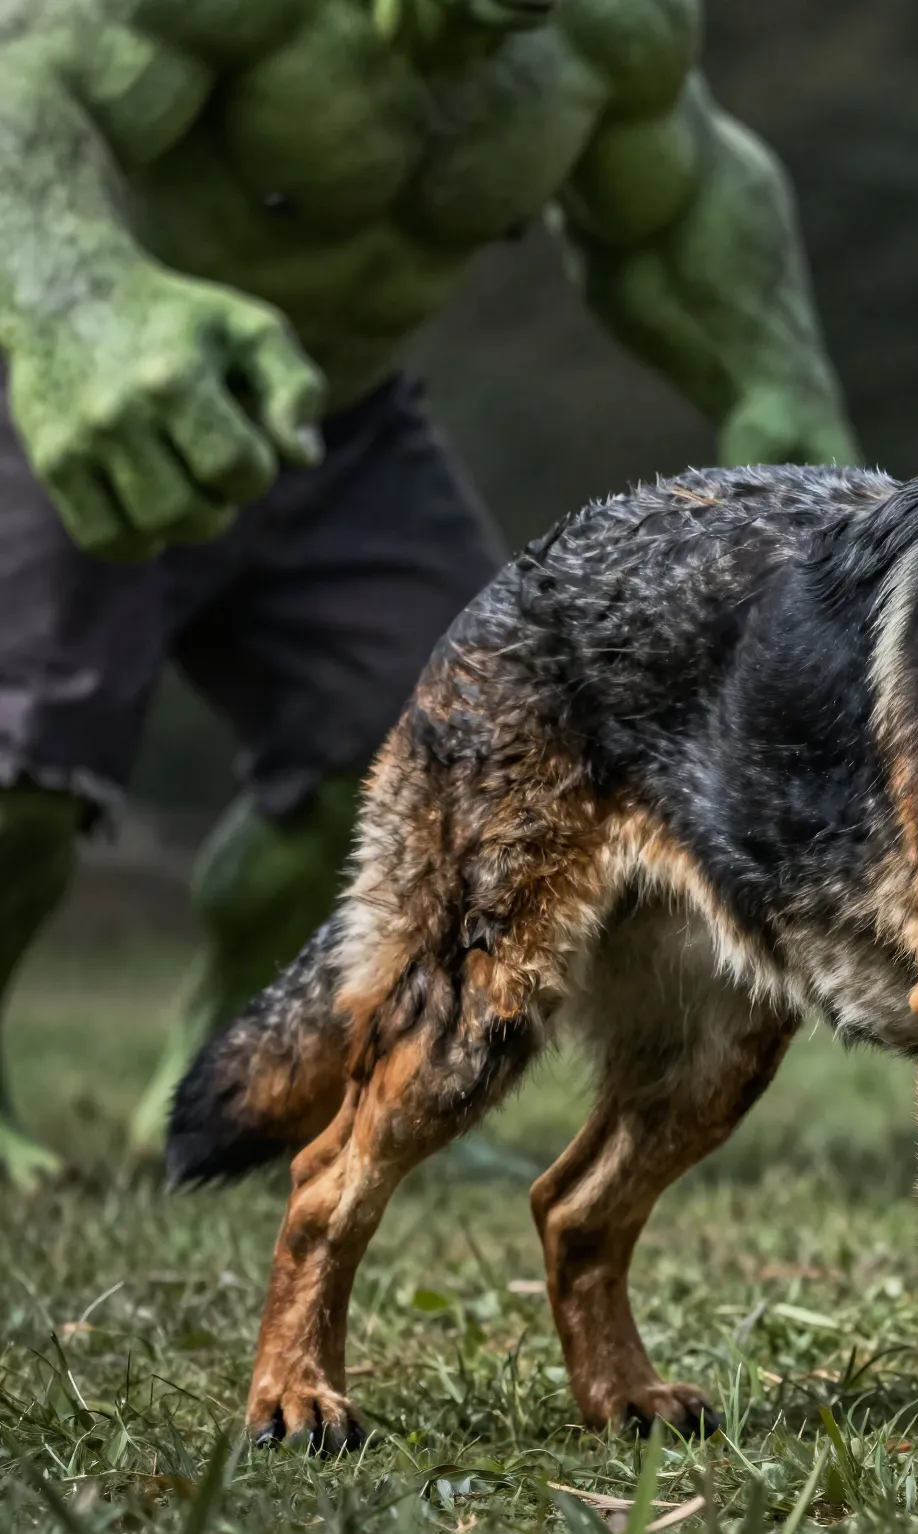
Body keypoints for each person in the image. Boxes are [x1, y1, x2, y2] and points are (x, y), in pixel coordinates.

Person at [0, 0, 858, 1185]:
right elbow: (23, 86)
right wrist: (80, 306)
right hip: (62, 371)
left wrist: (776, 387)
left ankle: (248, 1082)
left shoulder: (607, 25)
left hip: (337, 422)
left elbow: (679, 203)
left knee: (447, 755)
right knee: (24, 772)